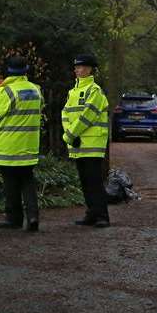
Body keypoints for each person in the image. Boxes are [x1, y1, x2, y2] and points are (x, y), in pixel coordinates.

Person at [0, 56, 43, 232]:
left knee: (11, 183)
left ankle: (14, 219)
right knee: (27, 181)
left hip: (8, 147)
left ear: (8, 71)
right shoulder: (36, 90)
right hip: (29, 146)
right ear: (25, 70)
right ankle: (33, 217)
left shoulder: (7, 91)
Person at [62, 54, 110, 228]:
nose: (77, 70)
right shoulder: (72, 92)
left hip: (92, 144)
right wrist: (70, 134)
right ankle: (92, 214)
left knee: (94, 181)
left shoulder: (94, 91)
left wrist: (69, 135)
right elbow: (65, 114)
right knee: (85, 182)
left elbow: (87, 116)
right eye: (76, 67)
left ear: (90, 69)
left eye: (80, 67)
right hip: (78, 143)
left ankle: (102, 216)